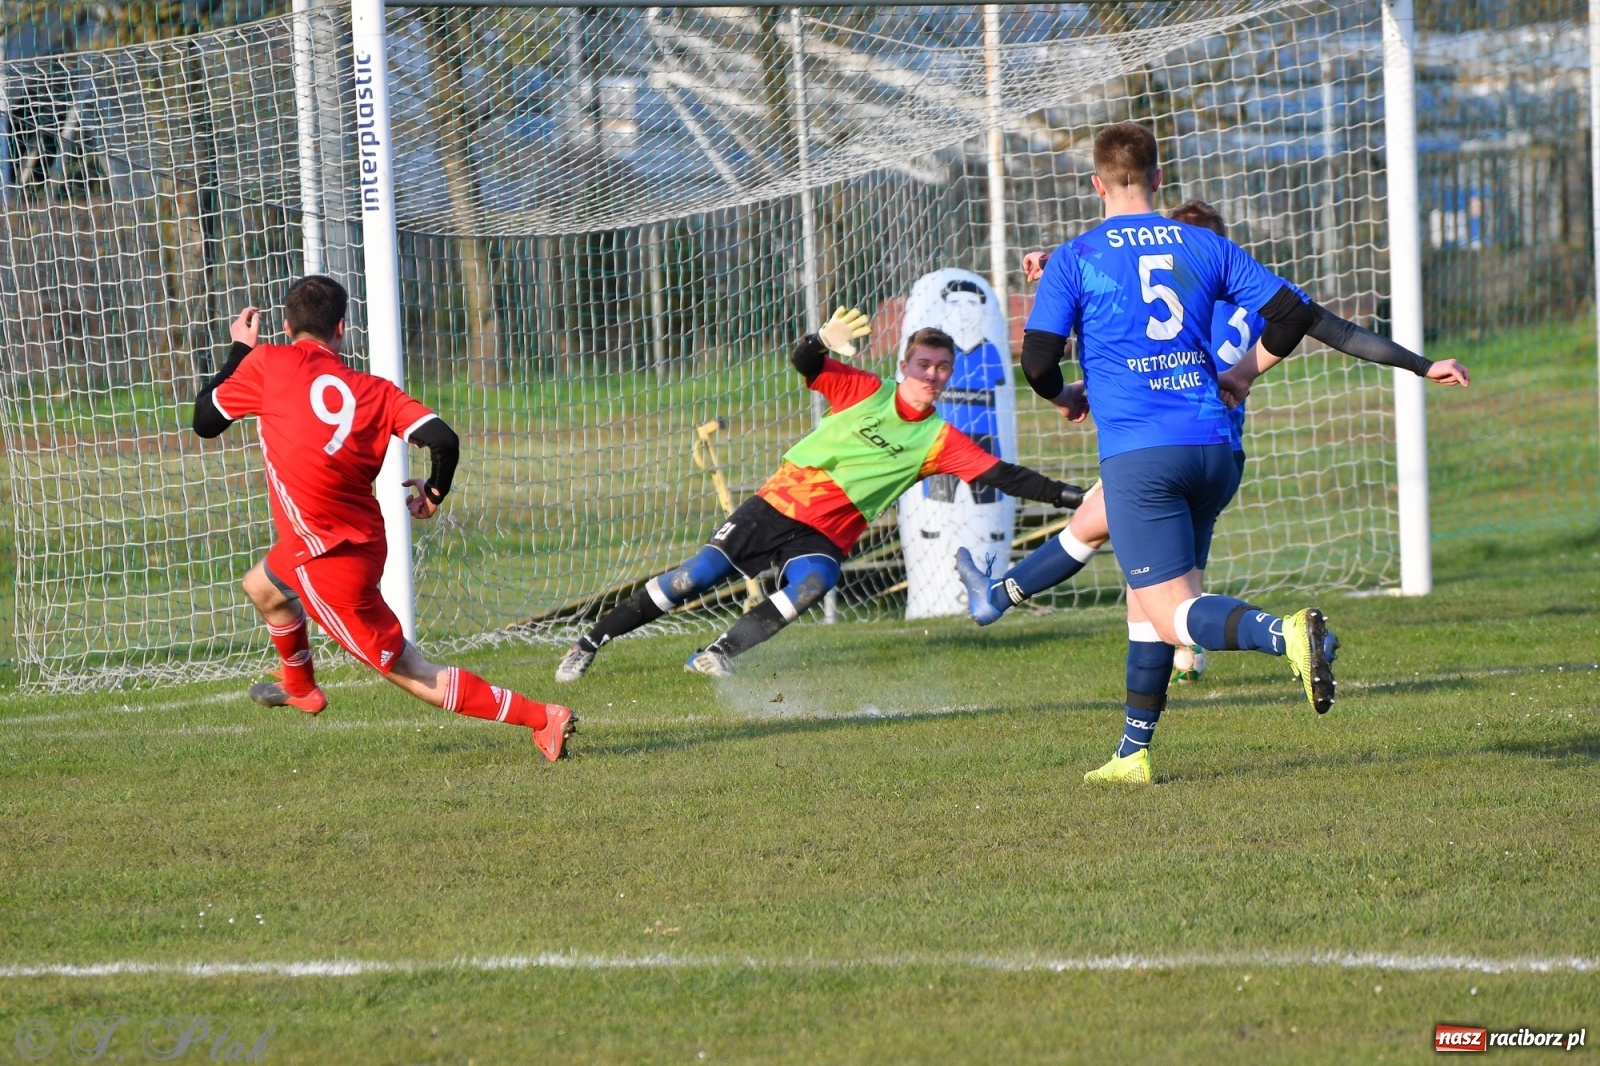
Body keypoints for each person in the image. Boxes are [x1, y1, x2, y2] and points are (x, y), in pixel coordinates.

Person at [959, 201, 1470, 650]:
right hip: (1215, 451)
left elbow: (1111, 287)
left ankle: (1240, 640)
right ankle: (1003, 600)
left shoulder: (1152, 292)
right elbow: (1333, 328)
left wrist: (1053, 267)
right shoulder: (1246, 296)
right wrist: (1423, 366)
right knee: (1098, 530)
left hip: (1151, 444)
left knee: (1152, 595)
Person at [1017, 122, 1341, 785]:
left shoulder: (1075, 257)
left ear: (1095, 183)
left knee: (1171, 615)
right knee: (1150, 603)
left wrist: (1065, 394)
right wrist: (1244, 372)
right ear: (1160, 178)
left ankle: (1287, 637)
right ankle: (1133, 752)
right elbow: (1294, 315)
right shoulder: (1204, 244)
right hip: (1214, 447)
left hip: (1143, 456)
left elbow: (1038, 361)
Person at [555, 308, 1086, 681]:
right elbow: (805, 363)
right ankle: (589, 643)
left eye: (942, 367)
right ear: (904, 365)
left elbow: (1007, 477)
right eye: (923, 364)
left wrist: (1078, 499)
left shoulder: (939, 439)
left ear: (949, 375)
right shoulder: (863, 390)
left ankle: (718, 653)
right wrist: (818, 340)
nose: (933, 374)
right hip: (779, 503)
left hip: (829, 531)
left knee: (816, 581)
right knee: (696, 576)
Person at [191, 275, 574, 760]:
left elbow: (205, 421)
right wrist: (433, 491)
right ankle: (301, 686)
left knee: (411, 670)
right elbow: (444, 440)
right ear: (342, 329)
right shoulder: (375, 390)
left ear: (286, 326)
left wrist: (240, 351)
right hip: (356, 541)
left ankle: (542, 718)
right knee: (263, 587)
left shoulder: (268, 362)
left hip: (327, 559)